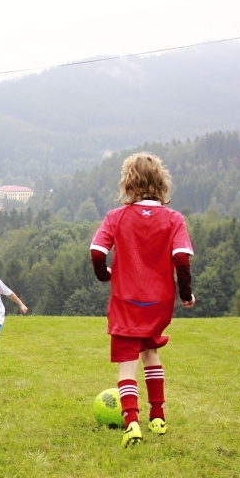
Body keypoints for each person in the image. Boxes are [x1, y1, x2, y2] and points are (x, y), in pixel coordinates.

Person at [90, 152, 195, 448]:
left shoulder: (116, 217)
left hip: (126, 301)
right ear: (161, 183)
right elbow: (182, 260)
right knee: (151, 353)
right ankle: (158, 417)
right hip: (159, 302)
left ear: (127, 183)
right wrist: (186, 295)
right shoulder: (173, 219)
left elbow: (97, 251)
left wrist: (104, 274)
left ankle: (131, 422)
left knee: (126, 364)